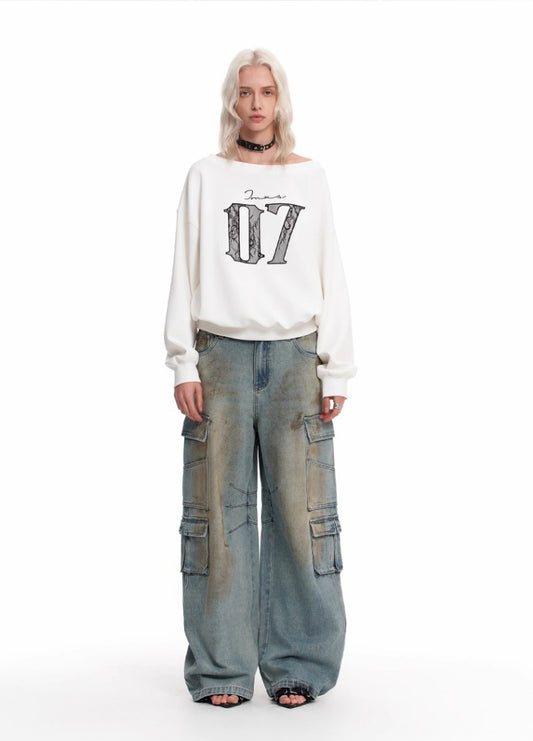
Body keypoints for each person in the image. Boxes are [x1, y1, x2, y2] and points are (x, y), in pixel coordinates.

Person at [163, 48, 357, 709]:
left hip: (296, 358)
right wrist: (182, 360)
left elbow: (330, 270)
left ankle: (298, 662)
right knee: (217, 513)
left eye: (266, 92)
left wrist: (336, 366)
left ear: (279, 101)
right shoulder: (205, 176)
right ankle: (222, 666)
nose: (255, 103)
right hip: (219, 357)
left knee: (301, 512)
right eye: (244, 91)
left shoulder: (309, 177)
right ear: (231, 100)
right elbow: (184, 268)